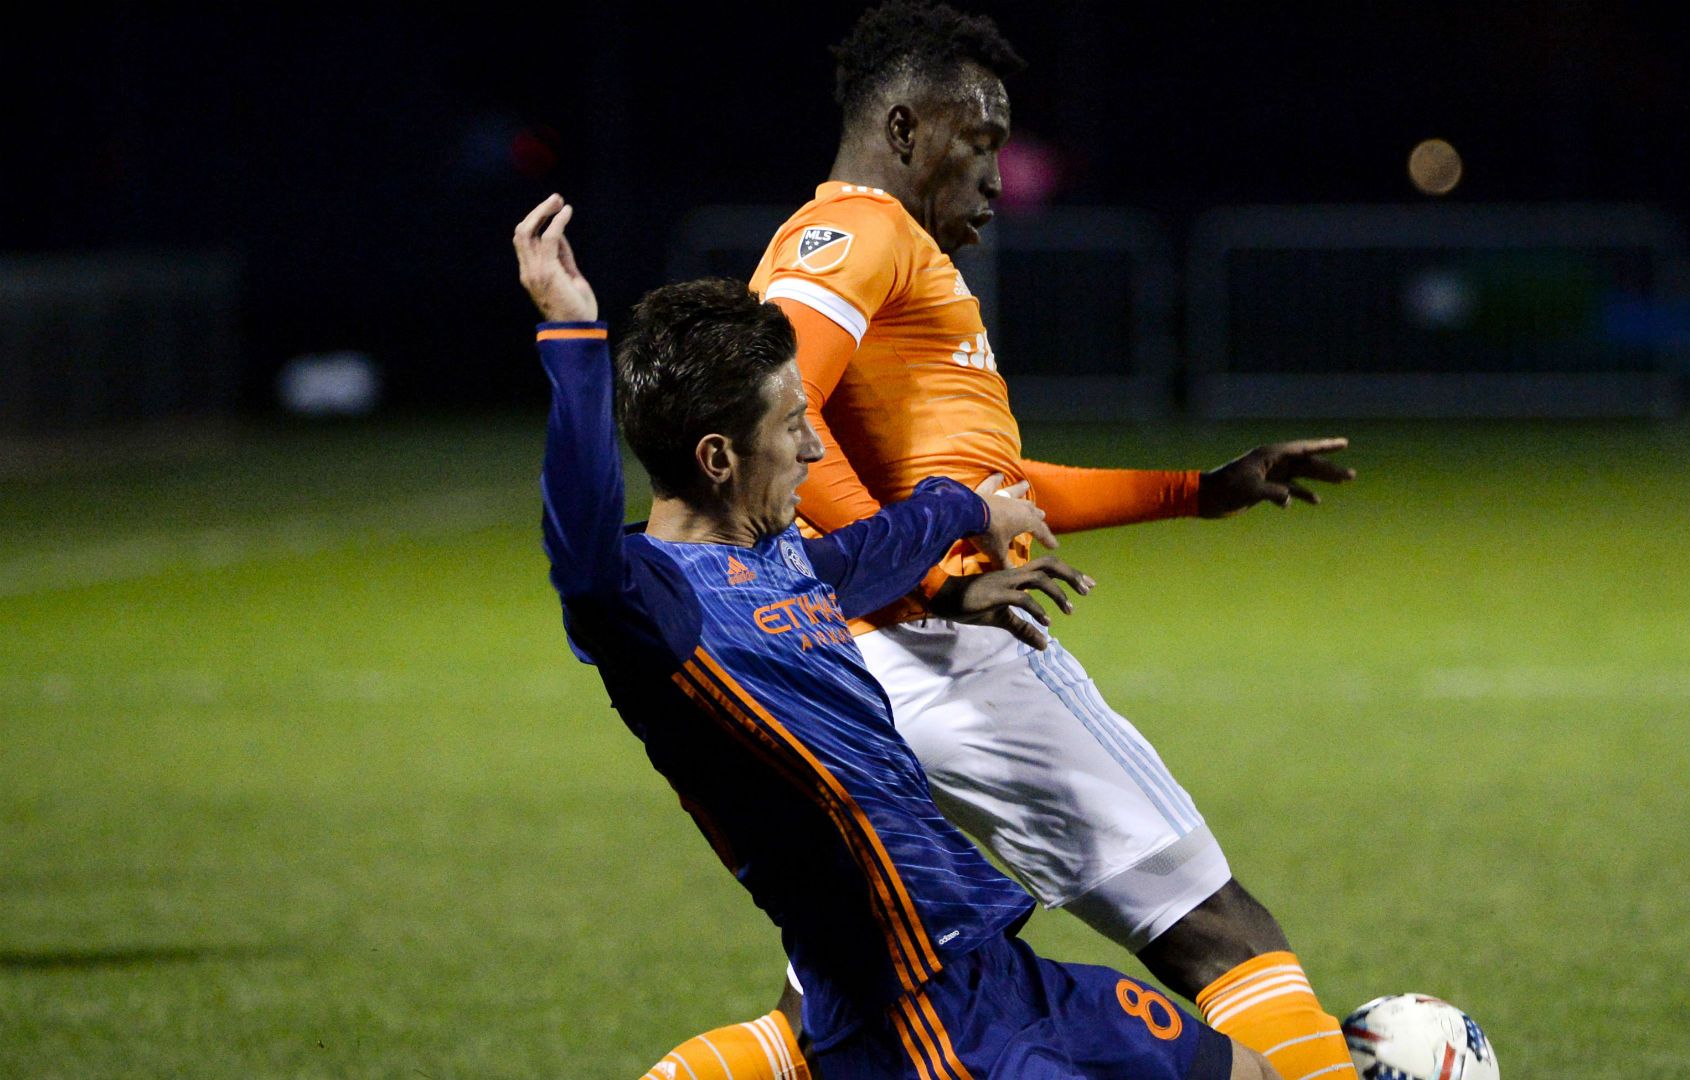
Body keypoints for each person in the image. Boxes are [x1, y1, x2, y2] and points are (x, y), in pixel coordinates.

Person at [644, 4, 1360, 1080]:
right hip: (943, 659)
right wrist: (933, 580)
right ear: (903, 127)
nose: (996, 175)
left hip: (843, 668)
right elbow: (773, 420)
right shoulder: (861, 234)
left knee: (844, 1014)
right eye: (980, 142)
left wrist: (1196, 493)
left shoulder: (879, 255)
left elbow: (997, 490)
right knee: (1218, 927)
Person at [514, 193, 1279, 1080]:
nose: (812, 450)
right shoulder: (652, 608)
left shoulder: (781, 564)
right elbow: (578, 541)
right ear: (719, 459)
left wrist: (973, 507)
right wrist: (574, 341)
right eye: (791, 425)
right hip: (908, 1022)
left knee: (1245, 1073)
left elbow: (872, 552)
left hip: (999, 974)